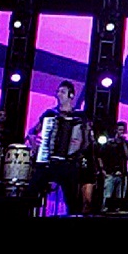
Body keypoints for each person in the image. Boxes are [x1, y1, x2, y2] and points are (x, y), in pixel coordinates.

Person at [25, 80, 85, 216]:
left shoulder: (79, 116)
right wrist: (34, 141)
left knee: (73, 198)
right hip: (49, 162)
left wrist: (78, 145)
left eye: (62, 92)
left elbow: (85, 140)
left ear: (71, 95)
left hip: (69, 163)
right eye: (58, 91)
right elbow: (32, 132)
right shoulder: (50, 114)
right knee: (31, 190)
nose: (59, 94)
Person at [100, 121, 128, 212]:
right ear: (116, 130)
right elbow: (100, 156)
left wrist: (124, 144)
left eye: (123, 130)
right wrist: (103, 170)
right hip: (110, 173)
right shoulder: (109, 144)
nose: (121, 132)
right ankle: (105, 210)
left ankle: (118, 211)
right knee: (107, 195)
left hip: (122, 174)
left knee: (120, 197)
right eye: (120, 130)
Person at [78, 118, 103, 215]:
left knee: (88, 195)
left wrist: (100, 168)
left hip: (89, 169)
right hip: (80, 168)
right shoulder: (80, 136)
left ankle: (87, 209)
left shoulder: (93, 141)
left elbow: (97, 155)